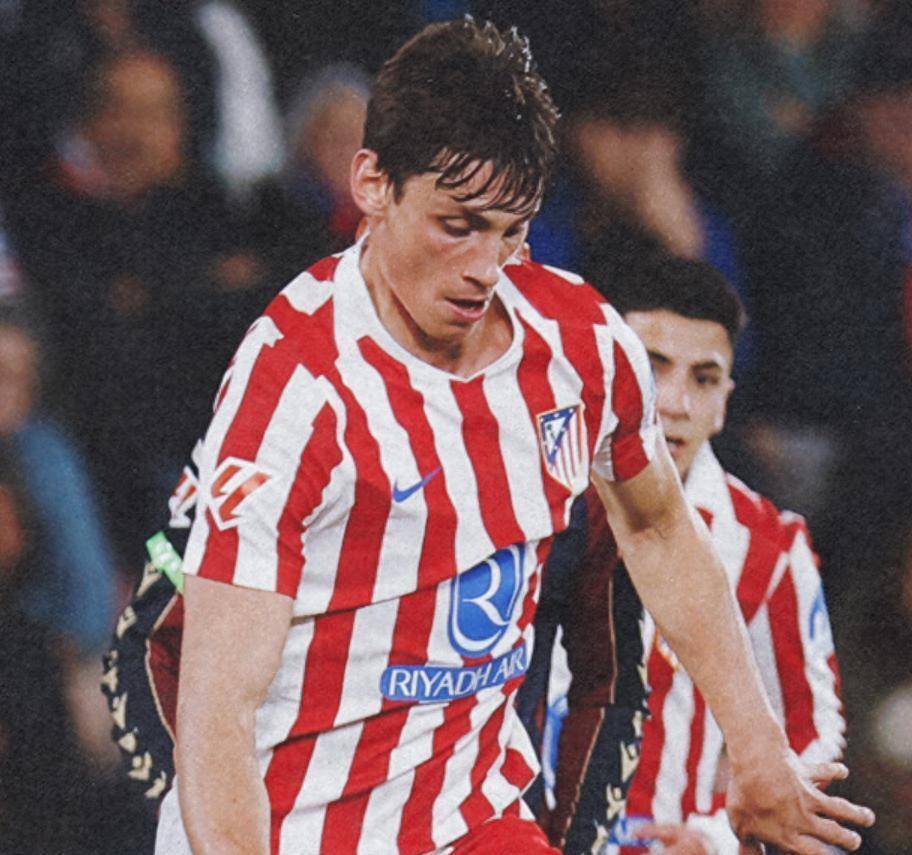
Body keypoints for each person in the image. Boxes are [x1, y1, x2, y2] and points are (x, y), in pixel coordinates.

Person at [149, 19, 871, 854]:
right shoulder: (296, 386)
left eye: (512, 229)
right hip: (290, 825)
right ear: (373, 183)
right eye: (458, 225)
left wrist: (757, 750)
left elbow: (656, 525)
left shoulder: (579, 344)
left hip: (468, 813)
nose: (486, 268)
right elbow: (218, 711)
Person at [523, 256, 847, 853]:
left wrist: (716, 839)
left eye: (703, 379)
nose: (674, 402)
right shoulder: (518, 500)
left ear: (725, 400)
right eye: (652, 367)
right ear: (604, 369)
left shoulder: (769, 546)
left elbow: (811, 742)